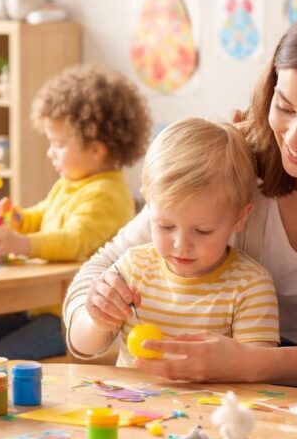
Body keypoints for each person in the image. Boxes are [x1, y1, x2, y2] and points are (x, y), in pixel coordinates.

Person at [64, 0, 297, 384]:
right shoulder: (228, 156)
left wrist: (251, 364)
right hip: (224, 395)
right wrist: (96, 310)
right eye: (285, 107)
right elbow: (103, 267)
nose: (294, 138)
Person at [0, 65, 151, 361]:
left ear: (97, 149)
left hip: (72, 315)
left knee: (2, 355)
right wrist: (19, 219)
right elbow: (42, 216)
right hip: (41, 306)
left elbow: (73, 240)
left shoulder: (108, 195)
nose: (50, 152)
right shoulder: (69, 184)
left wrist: (22, 244)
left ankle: (13, 403)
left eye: (58, 145)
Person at [69, 118, 279, 365]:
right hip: (130, 402)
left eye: (203, 230)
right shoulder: (133, 268)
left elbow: (257, 372)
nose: (181, 244)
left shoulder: (249, 287)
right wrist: (96, 320)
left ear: (240, 218)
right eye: (165, 226)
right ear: (149, 206)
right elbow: (83, 346)